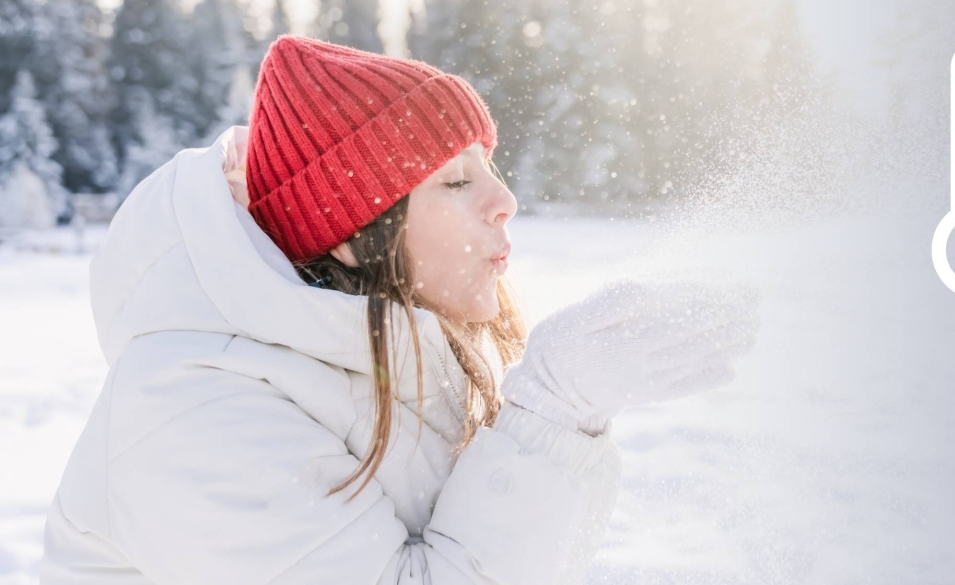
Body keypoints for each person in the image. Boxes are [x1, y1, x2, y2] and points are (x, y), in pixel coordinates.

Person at [40, 35, 758, 584]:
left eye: (490, 167)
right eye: (454, 181)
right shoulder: (193, 415)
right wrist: (546, 416)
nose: (503, 201)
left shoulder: (388, 348)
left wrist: (558, 429)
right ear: (353, 237)